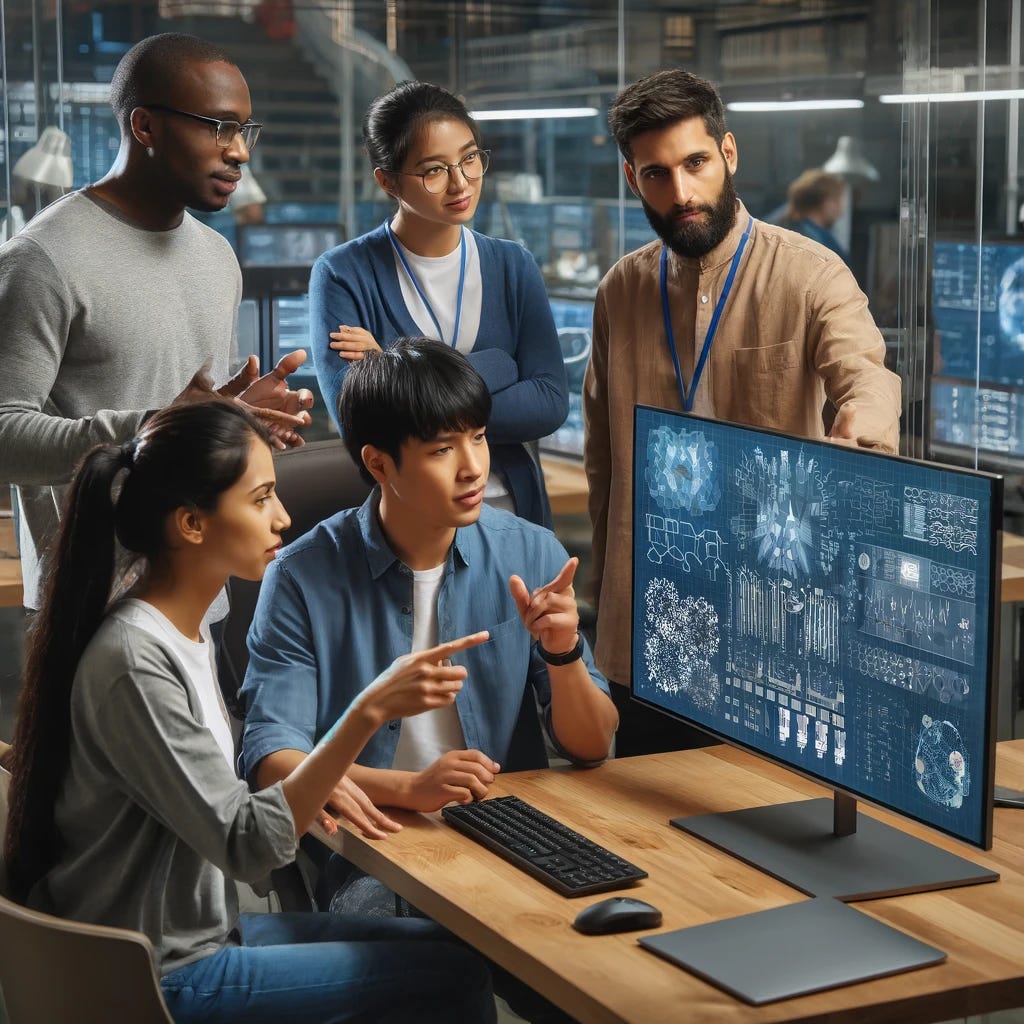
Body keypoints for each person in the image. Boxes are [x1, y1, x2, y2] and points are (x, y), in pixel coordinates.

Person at [2, 399, 497, 1024]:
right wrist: (366, 713)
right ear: (192, 524)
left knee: (454, 953)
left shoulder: (182, 632)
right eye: (261, 498)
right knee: (451, 978)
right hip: (159, 975)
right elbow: (246, 844)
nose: (283, 517)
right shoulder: (135, 660)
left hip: (201, 939)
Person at [583, 68, 902, 755]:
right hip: (652, 619)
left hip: (772, 620)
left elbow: (865, 374)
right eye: (657, 174)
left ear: (728, 153)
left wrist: (859, 438)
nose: (682, 192)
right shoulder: (621, 291)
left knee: (761, 831)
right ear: (633, 179)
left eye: (695, 163)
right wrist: (605, 596)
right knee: (652, 828)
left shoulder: (810, 274)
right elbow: (603, 460)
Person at [241, 337, 616, 862]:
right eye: (442, 449)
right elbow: (272, 761)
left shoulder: (530, 551)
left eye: (479, 438)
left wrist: (564, 650)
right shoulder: (302, 577)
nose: (473, 468)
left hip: (510, 839)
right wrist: (408, 789)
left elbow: (593, 745)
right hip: (371, 854)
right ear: (379, 465)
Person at [0, 32, 314, 610]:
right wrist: (147, 426)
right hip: (88, 602)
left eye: (244, 130)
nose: (240, 151)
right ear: (144, 127)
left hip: (202, 593)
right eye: (218, 126)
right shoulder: (42, 259)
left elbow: (188, 420)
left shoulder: (217, 258)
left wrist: (237, 418)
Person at [309, 81, 568, 529]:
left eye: (469, 158)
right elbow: (364, 430)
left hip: (515, 514)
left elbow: (548, 402)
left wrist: (398, 372)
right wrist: (500, 367)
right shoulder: (342, 274)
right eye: (433, 170)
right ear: (386, 180)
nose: (461, 182)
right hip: (409, 527)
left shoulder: (512, 265)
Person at [777, 168, 849, 262]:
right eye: (839, 200)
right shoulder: (814, 241)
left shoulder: (791, 231)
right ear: (827, 202)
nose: (842, 208)